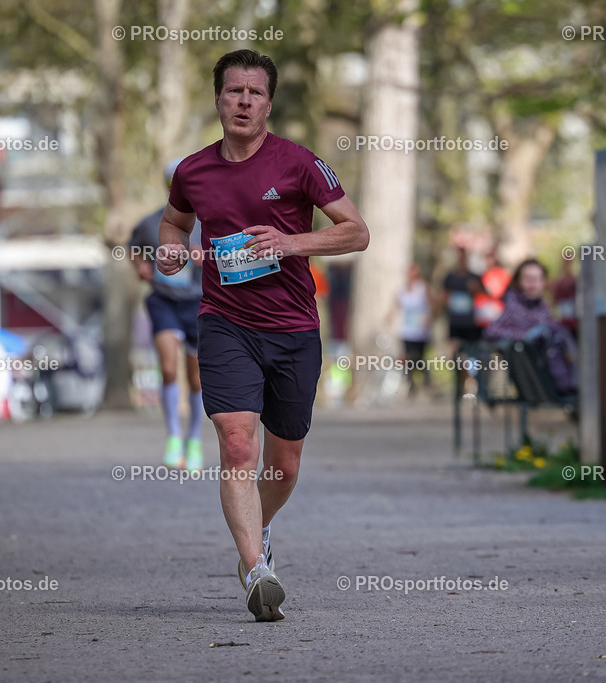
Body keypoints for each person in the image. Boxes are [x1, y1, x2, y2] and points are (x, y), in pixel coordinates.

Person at [156, 49, 369, 622]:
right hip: (224, 323)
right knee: (236, 443)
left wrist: (290, 242)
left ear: (269, 103)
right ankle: (255, 569)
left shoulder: (300, 164)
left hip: (294, 328)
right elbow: (174, 221)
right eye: (233, 91)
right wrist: (172, 249)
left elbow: (357, 232)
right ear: (218, 99)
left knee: (286, 464)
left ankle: (261, 525)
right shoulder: (193, 170)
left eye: (254, 93)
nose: (243, 101)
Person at [129, 159, 205, 472]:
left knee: (197, 378)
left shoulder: (208, 221)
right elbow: (133, 247)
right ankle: (173, 436)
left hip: (200, 302)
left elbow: (231, 253)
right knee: (169, 368)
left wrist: (208, 257)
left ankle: (195, 439)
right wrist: (141, 266)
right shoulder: (151, 222)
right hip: (164, 301)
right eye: (174, 182)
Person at [484, 258, 577, 396]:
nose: (533, 283)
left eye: (537, 279)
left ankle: (574, 383)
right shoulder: (513, 306)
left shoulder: (542, 306)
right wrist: (524, 336)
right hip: (535, 377)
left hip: (549, 369)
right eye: (528, 279)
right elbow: (491, 331)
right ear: (518, 282)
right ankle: (569, 385)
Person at [391, 263, 432, 397]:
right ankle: (409, 383)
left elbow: (432, 305)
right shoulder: (402, 289)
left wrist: (427, 319)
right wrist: (390, 317)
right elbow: (396, 305)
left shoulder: (423, 288)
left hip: (420, 330)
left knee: (419, 357)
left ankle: (426, 382)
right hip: (407, 330)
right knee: (406, 358)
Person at [443, 247, 484, 352]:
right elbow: (444, 296)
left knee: (471, 353)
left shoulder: (474, 277)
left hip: (471, 322)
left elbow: (486, 294)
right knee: (455, 353)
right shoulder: (450, 277)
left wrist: (476, 289)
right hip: (455, 321)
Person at [474, 248, 510, 328]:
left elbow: (496, 292)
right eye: (485, 258)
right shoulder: (483, 274)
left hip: (495, 316)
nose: (487, 260)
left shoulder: (501, 273)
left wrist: (479, 289)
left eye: (490, 257)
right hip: (481, 318)